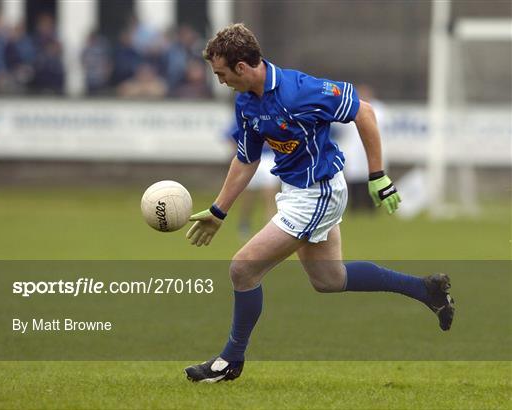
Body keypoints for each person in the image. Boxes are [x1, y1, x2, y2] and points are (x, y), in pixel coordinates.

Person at [184, 23, 454, 383]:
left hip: (320, 191)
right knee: (329, 279)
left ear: (242, 68)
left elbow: (364, 112)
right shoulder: (246, 102)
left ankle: (230, 360)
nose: (220, 81)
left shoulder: (300, 90)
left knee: (243, 269)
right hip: (296, 192)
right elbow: (246, 159)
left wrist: (378, 175)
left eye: (221, 74)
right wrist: (219, 211)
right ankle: (425, 289)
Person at [338, 84, 387, 211]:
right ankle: (355, 206)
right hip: (354, 151)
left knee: (372, 176)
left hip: (371, 149)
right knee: (355, 178)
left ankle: (372, 207)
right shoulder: (350, 107)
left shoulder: (379, 110)